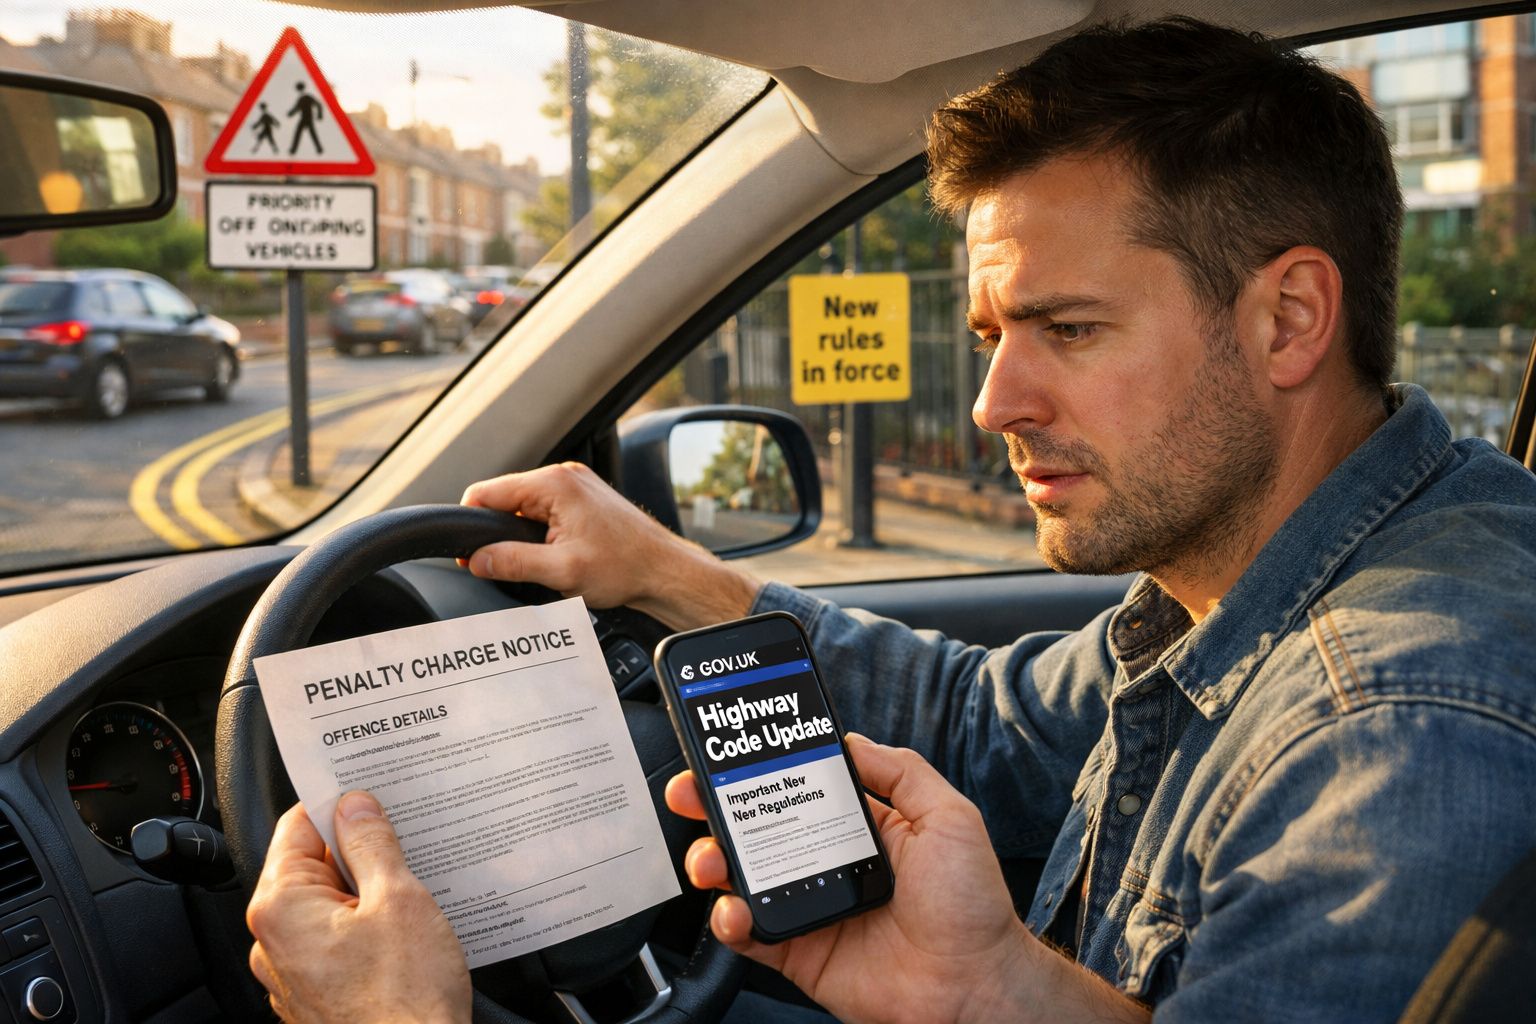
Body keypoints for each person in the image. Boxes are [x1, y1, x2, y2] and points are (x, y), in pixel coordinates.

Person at [245, 17, 1536, 1023]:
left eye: (1068, 330)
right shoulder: (1264, 575)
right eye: (988, 334)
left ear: (1289, 320)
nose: (992, 402)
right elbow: (988, 728)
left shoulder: (1398, 733)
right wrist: (987, 992)